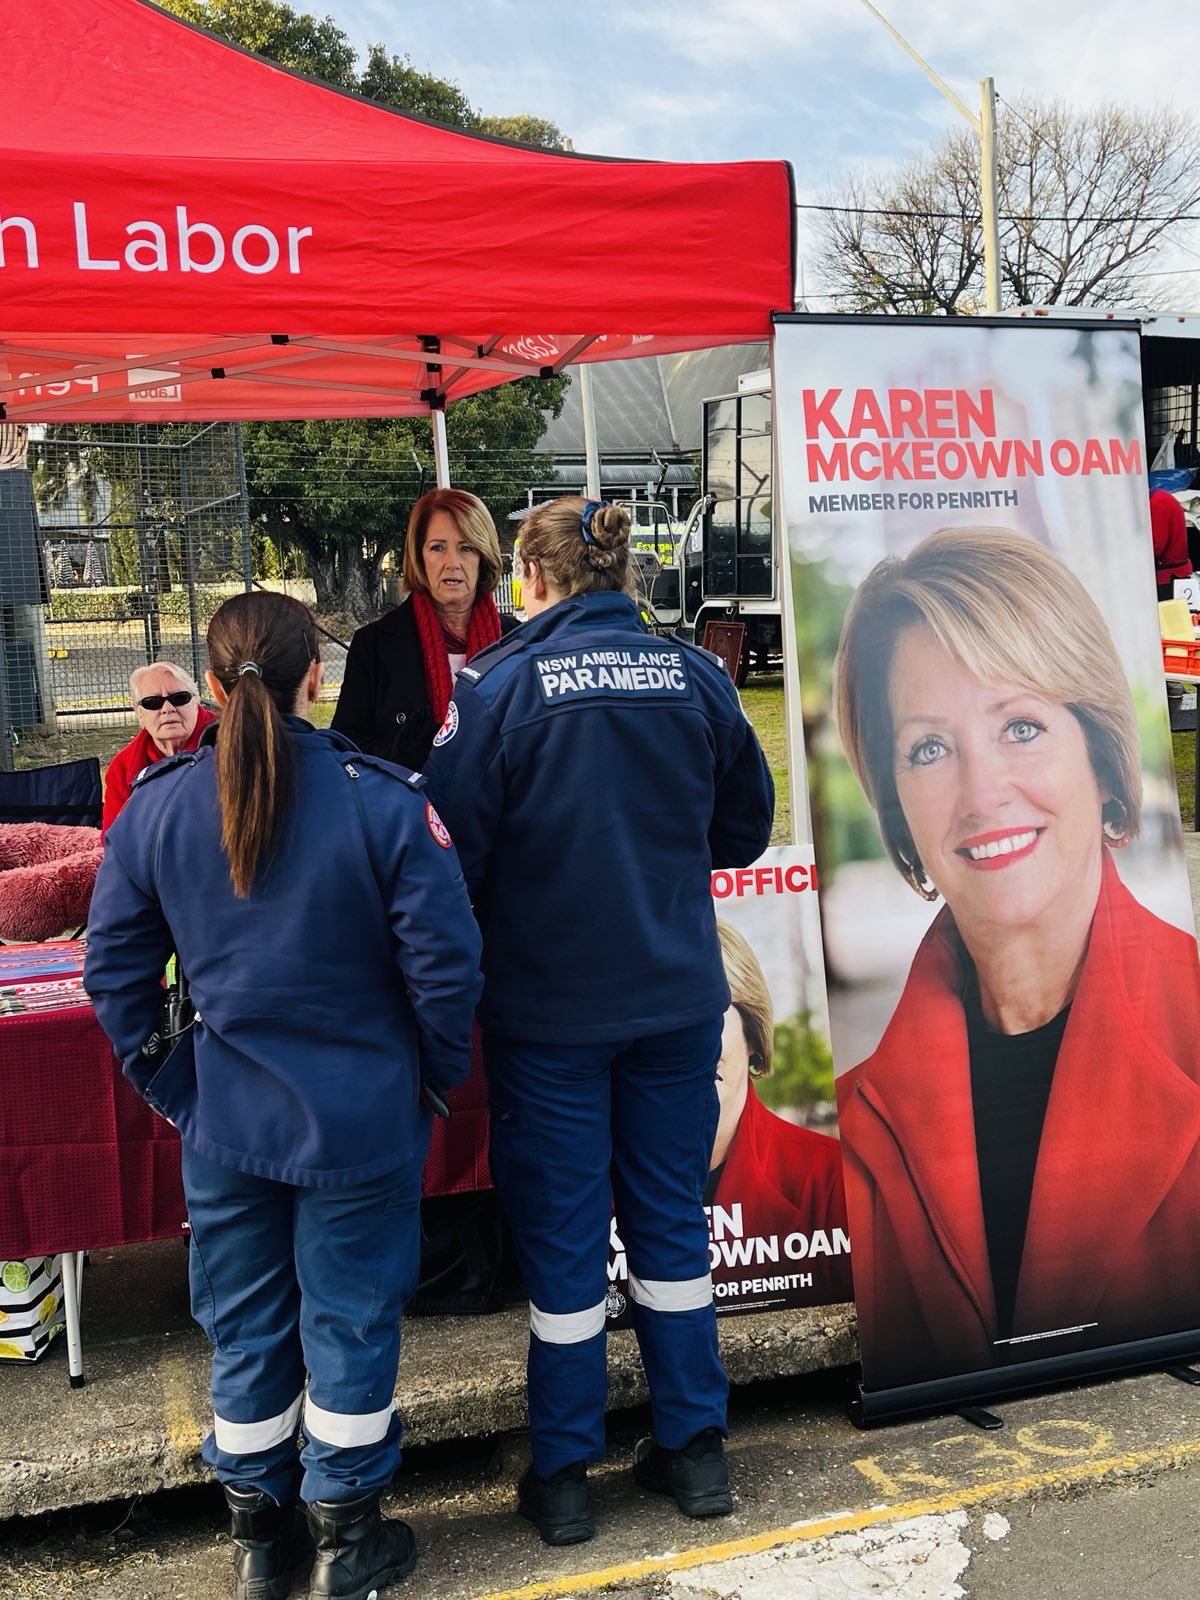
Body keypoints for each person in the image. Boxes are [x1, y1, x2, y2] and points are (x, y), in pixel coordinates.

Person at [84, 591, 483, 1600]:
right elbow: (448, 971)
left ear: (213, 690)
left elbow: (116, 979)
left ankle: (261, 1539)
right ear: (320, 679)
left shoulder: (159, 809)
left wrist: (174, 1088)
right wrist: (429, 1081)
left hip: (226, 1124)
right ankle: (348, 1535)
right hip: (360, 1121)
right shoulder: (386, 802)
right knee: (351, 1321)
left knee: (247, 1325)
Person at [424, 496, 774, 1546]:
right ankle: (697, 1455)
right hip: (674, 1003)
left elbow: (453, 851)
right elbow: (745, 829)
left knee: (566, 1248)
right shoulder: (698, 675)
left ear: (531, 577)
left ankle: (567, 1473)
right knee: (671, 1228)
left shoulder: (498, 683)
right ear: (620, 572)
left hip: (551, 1018)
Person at [832, 526, 1200, 1390]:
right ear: (898, 813)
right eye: (929, 748)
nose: (982, 791)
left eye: (1022, 727)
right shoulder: (859, 1121)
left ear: (1103, 761)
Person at [708, 921, 852, 1306]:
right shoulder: (595, 1190)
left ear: (752, 1037)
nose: (687, 1046)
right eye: (666, 1022)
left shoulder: (832, 1181)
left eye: (709, 1016)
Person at [332, 488, 519, 769]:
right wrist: (400, 755)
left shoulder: (517, 641)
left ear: (484, 557)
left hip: (501, 810)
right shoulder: (373, 644)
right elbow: (344, 743)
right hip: (411, 808)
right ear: (419, 556)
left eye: (466, 548)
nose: (452, 563)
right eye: (437, 547)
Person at [101, 662, 218, 836]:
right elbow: (114, 838)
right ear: (140, 715)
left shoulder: (230, 740)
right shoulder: (123, 767)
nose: (167, 709)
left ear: (196, 703)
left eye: (179, 698)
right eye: (153, 702)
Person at [1150, 486, 1192, 603]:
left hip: (1169, 577)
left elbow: (1156, 545)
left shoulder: (1156, 503)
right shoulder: (1160, 498)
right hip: (1177, 572)